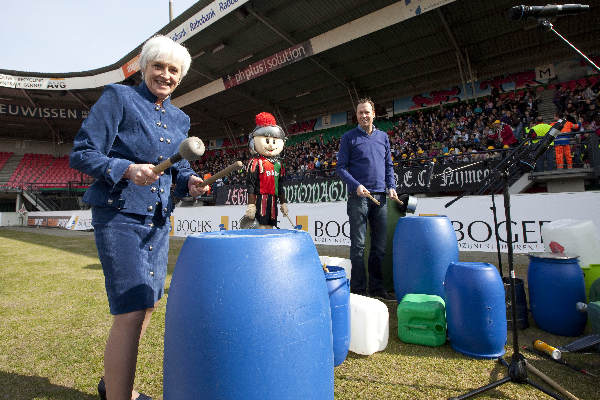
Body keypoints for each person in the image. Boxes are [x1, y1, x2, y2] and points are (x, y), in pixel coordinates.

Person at [69, 35, 208, 400]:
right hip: (119, 215)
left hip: (158, 222)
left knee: (147, 304)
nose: (165, 74)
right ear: (144, 67)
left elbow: (178, 171)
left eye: (173, 70)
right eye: (158, 66)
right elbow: (82, 153)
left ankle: (114, 385)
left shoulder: (180, 118)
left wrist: (189, 181)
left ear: (181, 78)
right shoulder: (119, 97)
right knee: (131, 309)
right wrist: (126, 169)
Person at [336, 98, 398, 300]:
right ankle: (359, 290)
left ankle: (377, 289)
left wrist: (391, 186)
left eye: (367, 112)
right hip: (358, 197)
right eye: (360, 113)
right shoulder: (348, 137)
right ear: (357, 116)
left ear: (374, 114)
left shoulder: (383, 137)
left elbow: (388, 165)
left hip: (380, 196)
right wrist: (356, 185)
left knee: (379, 247)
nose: (363, 115)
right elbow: (341, 168)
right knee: (359, 246)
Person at [244, 112, 289, 229]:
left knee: (270, 227)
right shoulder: (255, 162)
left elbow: (280, 185)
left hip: (273, 201)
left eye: (274, 141)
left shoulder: (279, 164)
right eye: (267, 141)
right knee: (260, 227)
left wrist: (283, 202)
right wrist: (251, 205)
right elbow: (251, 185)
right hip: (260, 200)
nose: (271, 145)